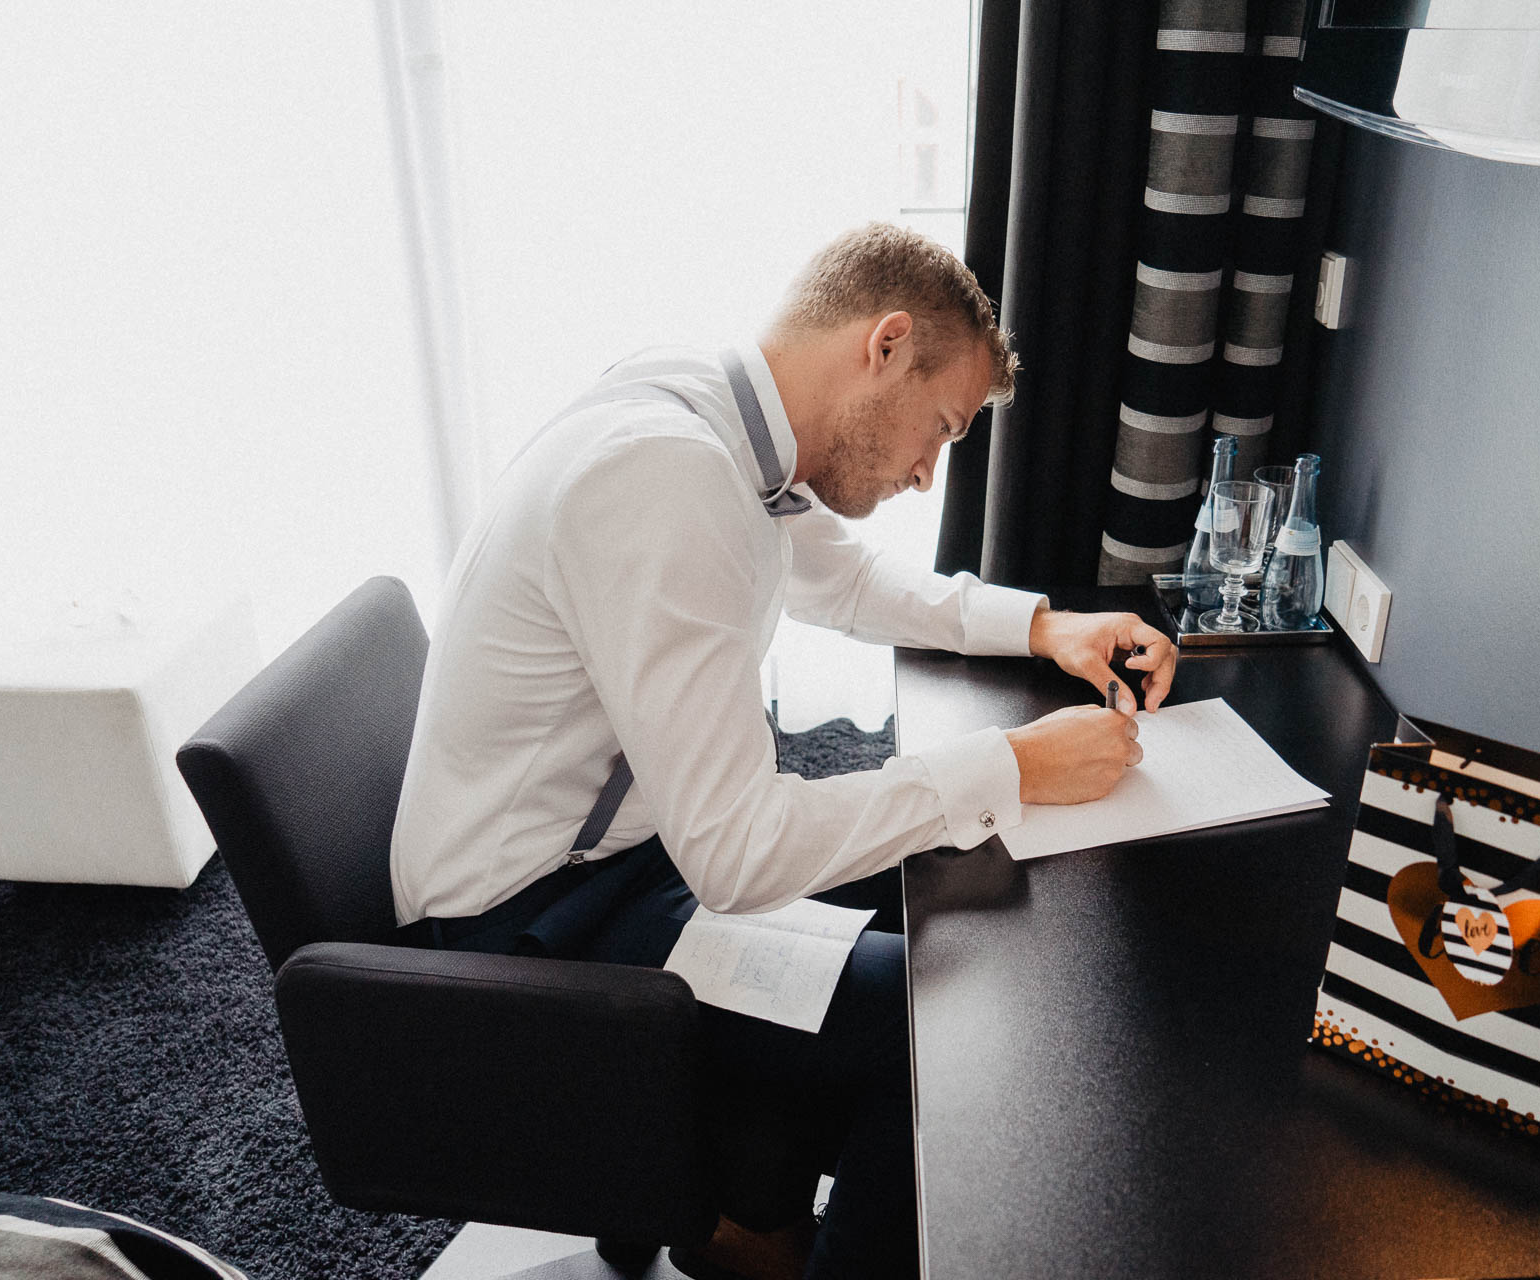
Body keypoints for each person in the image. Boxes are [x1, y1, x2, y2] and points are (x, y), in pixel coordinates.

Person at [389, 223, 1176, 1280]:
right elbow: (738, 854)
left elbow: (844, 582)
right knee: (946, 1027)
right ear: (885, 343)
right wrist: (1013, 764)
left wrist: (1043, 624)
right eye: (938, 429)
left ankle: (754, 1213)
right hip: (524, 928)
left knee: (933, 907)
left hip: (610, 866)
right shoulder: (669, 479)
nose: (926, 474)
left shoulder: (709, 417)